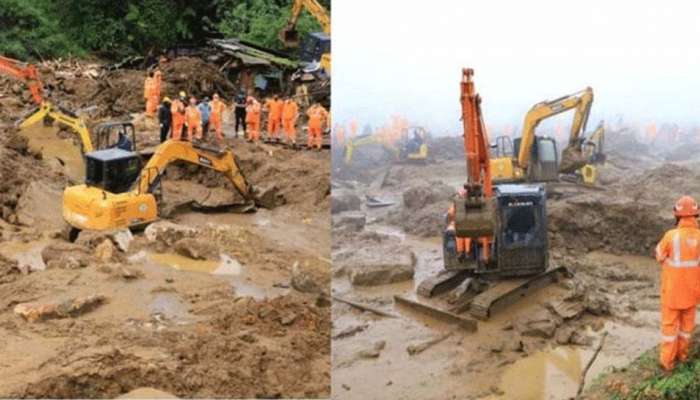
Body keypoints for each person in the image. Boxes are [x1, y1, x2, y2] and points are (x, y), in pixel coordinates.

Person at [655, 195, 700, 372]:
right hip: (692, 293)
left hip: (672, 293)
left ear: (677, 215)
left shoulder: (670, 236)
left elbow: (659, 255)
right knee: (686, 328)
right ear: (696, 215)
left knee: (669, 329)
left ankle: (667, 363)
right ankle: (682, 355)